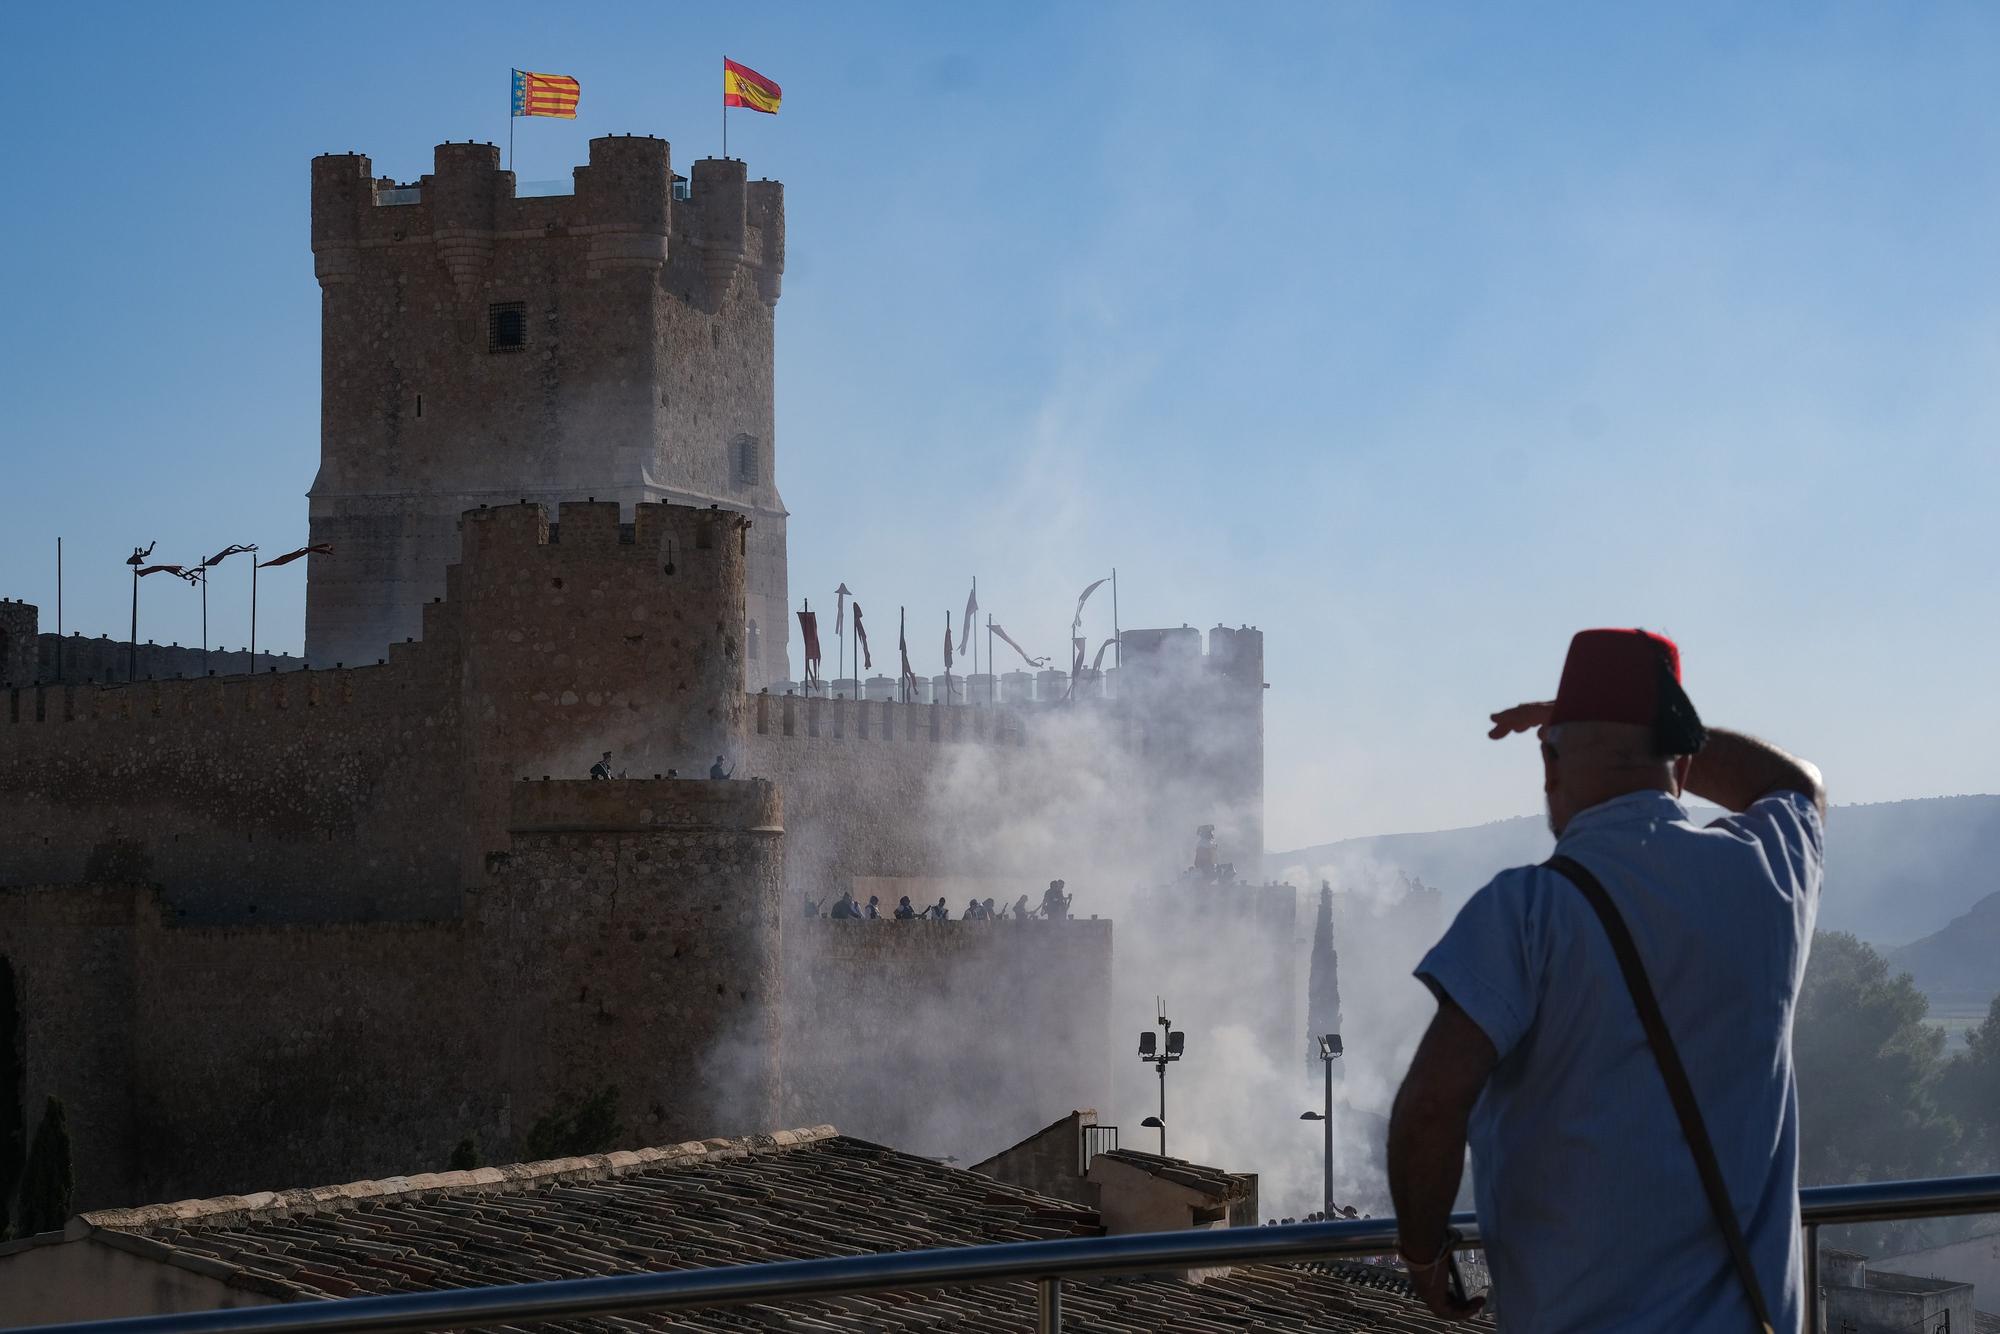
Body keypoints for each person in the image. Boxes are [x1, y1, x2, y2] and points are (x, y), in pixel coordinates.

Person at [1385, 629, 1825, 1329]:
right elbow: (1797, 786)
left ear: (1549, 763)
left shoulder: (1526, 912)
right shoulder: (1766, 876)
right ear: (1683, 763)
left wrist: (1422, 1255)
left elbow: (1434, 1104)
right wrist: (1653, 727)